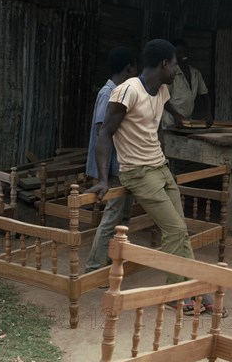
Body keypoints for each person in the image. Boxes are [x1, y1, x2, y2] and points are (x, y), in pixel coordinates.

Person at [86, 39, 218, 316]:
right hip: (137, 172)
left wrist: (161, 153)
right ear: (164, 64)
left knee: (180, 228)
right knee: (175, 231)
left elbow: (154, 127)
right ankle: (173, 295)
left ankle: (193, 287)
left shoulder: (162, 90)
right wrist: (103, 179)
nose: (177, 70)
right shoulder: (126, 91)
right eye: (175, 64)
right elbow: (104, 134)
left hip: (160, 168)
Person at [84, 46, 137, 275]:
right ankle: (95, 268)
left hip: (123, 165)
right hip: (113, 167)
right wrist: (103, 175)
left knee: (123, 216)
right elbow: (101, 131)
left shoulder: (120, 91)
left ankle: (113, 261)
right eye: (135, 68)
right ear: (128, 68)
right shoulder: (109, 92)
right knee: (112, 217)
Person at [161, 39, 213, 128]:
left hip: (187, 122)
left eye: (185, 51)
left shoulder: (196, 74)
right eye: (179, 52)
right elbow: (163, 99)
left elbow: (205, 95)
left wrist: (208, 113)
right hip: (170, 122)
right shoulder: (171, 74)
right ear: (173, 56)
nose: (183, 54)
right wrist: (176, 116)